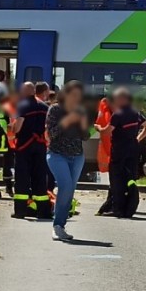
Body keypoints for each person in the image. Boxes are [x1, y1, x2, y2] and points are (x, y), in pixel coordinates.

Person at [46, 81, 89, 240]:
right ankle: (56, 226)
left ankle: (61, 225)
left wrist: (83, 123)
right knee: (65, 186)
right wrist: (69, 119)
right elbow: (52, 134)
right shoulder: (55, 109)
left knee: (70, 190)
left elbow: (85, 136)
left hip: (77, 155)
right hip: (57, 154)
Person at [106, 87, 146, 218]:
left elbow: (108, 131)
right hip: (133, 149)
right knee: (130, 177)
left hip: (119, 150)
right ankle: (128, 205)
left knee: (117, 178)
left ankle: (118, 208)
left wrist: (99, 128)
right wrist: (138, 138)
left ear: (122, 99)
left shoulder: (118, 114)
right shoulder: (136, 113)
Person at [11, 82, 51, 219]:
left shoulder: (22, 106)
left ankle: (21, 211)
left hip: (24, 146)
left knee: (22, 178)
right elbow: (48, 128)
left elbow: (18, 126)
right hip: (40, 146)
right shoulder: (45, 107)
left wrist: (13, 128)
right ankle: (43, 211)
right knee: (40, 178)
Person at [95, 95, 114, 215]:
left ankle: (111, 204)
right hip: (116, 150)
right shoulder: (111, 112)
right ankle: (112, 203)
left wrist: (98, 128)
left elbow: (105, 130)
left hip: (114, 150)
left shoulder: (110, 113)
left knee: (115, 178)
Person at [2, 90, 18, 196]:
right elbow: (5, 124)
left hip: (14, 141)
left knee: (12, 165)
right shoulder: (6, 108)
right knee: (8, 165)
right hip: (8, 141)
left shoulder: (16, 108)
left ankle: (12, 187)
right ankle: (8, 187)